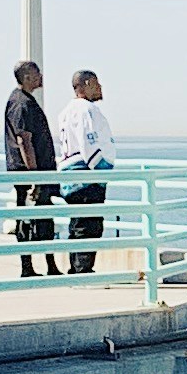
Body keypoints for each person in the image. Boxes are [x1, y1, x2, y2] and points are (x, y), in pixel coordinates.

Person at [5, 58, 59, 277]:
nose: (41, 77)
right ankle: (28, 266)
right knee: (30, 221)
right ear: (27, 77)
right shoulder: (22, 103)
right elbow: (24, 140)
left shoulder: (25, 101)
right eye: (37, 73)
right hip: (29, 175)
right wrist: (35, 177)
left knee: (43, 220)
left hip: (36, 173)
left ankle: (49, 265)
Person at [61, 67, 113, 275]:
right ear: (87, 84)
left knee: (77, 224)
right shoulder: (85, 110)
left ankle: (76, 267)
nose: (101, 88)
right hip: (86, 176)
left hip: (72, 175)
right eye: (97, 83)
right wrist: (101, 170)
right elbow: (89, 143)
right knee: (89, 225)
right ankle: (83, 270)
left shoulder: (67, 111)